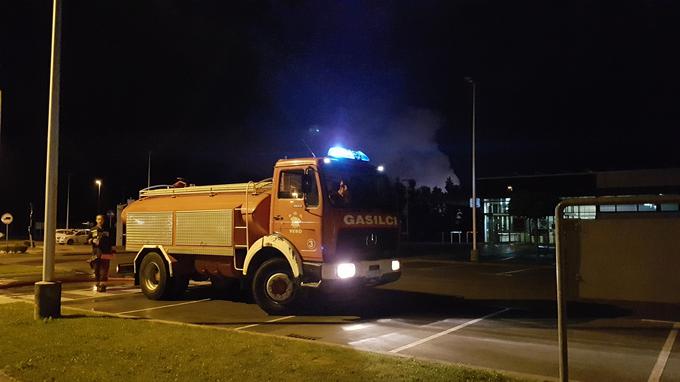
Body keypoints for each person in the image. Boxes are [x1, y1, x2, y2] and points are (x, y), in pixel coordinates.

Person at [88, 214, 114, 292]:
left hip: (106, 252)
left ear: (103, 220)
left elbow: (111, 241)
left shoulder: (108, 230)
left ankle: (103, 286)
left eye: (101, 219)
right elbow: (88, 239)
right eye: (98, 219)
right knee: (96, 270)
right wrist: (92, 240)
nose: (100, 221)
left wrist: (113, 250)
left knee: (104, 270)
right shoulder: (93, 229)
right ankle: (97, 284)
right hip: (96, 253)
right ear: (96, 220)